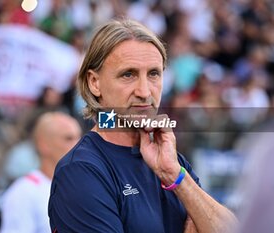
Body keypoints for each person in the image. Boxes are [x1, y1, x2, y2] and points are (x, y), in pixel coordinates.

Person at [48, 19, 237, 233]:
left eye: (154, 74)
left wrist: (175, 175)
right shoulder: (80, 171)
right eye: (128, 74)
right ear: (95, 83)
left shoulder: (172, 162)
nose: (145, 92)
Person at [0, 111, 82, 233]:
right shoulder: (24, 192)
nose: (79, 145)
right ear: (44, 144)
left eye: (80, 137)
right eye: (68, 138)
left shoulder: (89, 185)